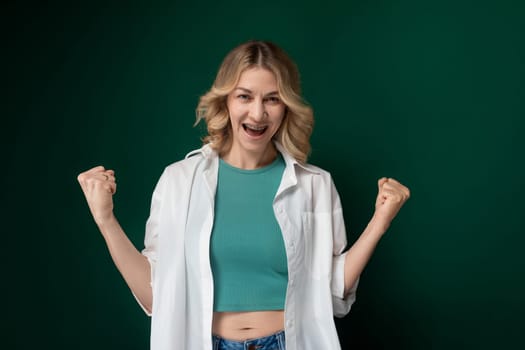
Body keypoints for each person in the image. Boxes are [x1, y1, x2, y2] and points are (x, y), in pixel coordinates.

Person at [77, 40, 410, 350]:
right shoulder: (179, 180)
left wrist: (380, 222)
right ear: (225, 100)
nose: (258, 114)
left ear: (287, 106)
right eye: (245, 96)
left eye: (272, 98)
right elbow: (155, 296)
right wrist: (105, 219)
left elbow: (334, 293)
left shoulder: (315, 185)